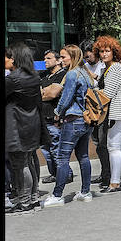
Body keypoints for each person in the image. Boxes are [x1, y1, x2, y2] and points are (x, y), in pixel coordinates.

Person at [46, 44, 95, 207]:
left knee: (62, 157)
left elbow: (66, 98)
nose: (61, 59)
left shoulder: (73, 74)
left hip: (73, 119)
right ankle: (85, 191)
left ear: (72, 57)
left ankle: (57, 195)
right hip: (85, 120)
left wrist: (57, 112)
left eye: (63, 56)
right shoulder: (85, 73)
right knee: (83, 156)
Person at [92, 36, 121, 194]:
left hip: (117, 112)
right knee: (118, 147)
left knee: (113, 148)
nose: (104, 54)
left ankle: (115, 183)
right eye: (101, 51)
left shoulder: (115, 68)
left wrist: (92, 93)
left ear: (114, 52)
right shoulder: (109, 68)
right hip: (118, 112)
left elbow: (108, 93)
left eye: (107, 51)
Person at [5, 42, 46, 213]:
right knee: (28, 162)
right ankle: (34, 198)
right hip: (31, 124)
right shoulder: (34, 77)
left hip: (16, 126)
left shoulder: (13, 79)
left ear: (14, 59)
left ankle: (25, 201)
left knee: (19, 165)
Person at [39, 49, 72, 184]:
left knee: (56, 148)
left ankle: (66, 174)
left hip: (55, 119)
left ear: (58, 60)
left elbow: (52, 94)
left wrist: (45, 92)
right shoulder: (44, 76)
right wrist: (46, 91)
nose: (45, 61)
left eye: (49, 58)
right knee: (45, 149)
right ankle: (54, 173)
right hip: (43, 118)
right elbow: (38, 93)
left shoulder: (62, 75)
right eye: (44, 58)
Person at [81, 39, 109, 188]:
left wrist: (91, 75)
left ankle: (107, 175)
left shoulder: (104, 66)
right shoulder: (84, 66)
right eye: (85, 56)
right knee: (98, 143)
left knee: (103, 144)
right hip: (91, 110)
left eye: (89, 55)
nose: (87, 59)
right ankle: (104, 173)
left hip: (103, 110)